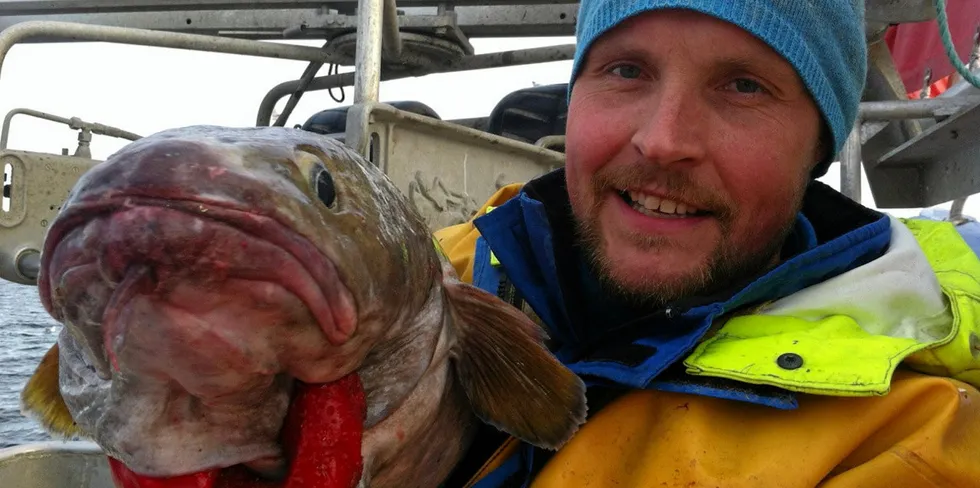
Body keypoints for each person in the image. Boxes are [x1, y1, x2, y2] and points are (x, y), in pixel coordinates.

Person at [433, 0, 980, 486]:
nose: (663, 141)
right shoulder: (419, 278)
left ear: (818, 148)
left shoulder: (903, 442)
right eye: (626, 70)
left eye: (744, 85)